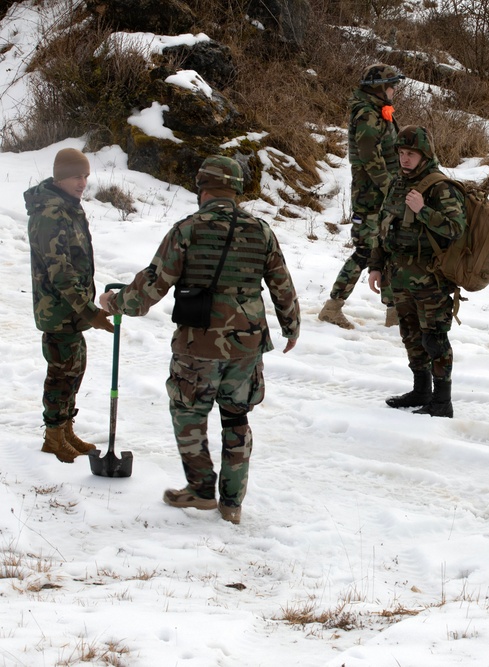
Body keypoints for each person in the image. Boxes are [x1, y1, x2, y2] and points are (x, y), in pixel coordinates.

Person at [100, 156, 300, 525]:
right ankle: (232, 503)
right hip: (247, 344)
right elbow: (281, 285)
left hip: (198, 343)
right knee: (236, 417)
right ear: (236, 189)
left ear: (202, 189)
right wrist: (291, 326)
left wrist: (116, 302)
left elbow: (152, 284)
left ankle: (201, 489)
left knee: (188, 414)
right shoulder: (261, 230)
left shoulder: (188, 229)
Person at [367, 126, 466, 418]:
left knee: (434, 338)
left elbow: (456, 229)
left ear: (424, 154)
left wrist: (423, 210)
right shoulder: (398, 184)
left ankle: (442, 401)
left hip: (430, 279)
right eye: (401, 153)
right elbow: (384, 227)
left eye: (410, 153)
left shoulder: (440, 187)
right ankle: (421, 390)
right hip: (399, 276)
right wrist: (375, 265)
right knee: (410, 335)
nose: (404, 159)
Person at [26, 147, 115, 463]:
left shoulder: (68, 209)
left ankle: (65, 429)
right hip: (58, 311)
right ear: (60, 176)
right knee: (61, 374)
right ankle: (53, 437)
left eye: (86, 176)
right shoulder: (50, 214)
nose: (82, 182)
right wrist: (90, 311)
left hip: (72, 311)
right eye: (77, 175)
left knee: (75, 370)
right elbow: (61, 272)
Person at [319, 63, 404, 330]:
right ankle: (332, 308)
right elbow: (369, 157)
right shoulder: (367, 115)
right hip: (372, 198)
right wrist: (389, 187)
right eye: (391, 86)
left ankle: (394, 315)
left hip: (382, 196)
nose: (394, 91)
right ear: (380, 88)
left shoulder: (378, 112)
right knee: (366, 251)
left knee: (389, 249)